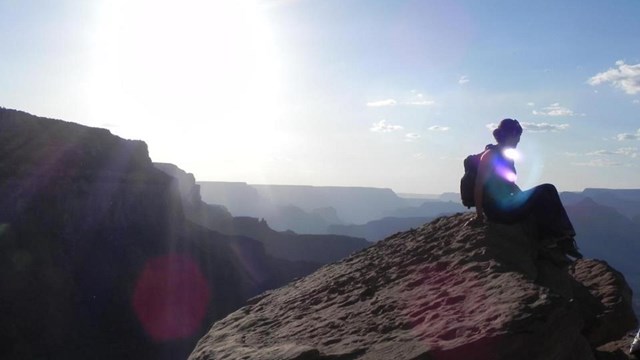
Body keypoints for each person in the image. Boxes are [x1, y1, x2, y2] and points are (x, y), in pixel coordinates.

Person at [473, 118, 582, 260]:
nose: (518, 141)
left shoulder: (506, 156)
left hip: (508, 204)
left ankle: (561, 239)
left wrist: (524, 197)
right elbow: (479, 184)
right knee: (546, 190)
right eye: (517, 136)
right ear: (510, 135)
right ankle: (558, 239)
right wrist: (479, 215)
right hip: (498, 211)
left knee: (547, 191)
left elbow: (509, 184)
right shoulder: (490, 156)